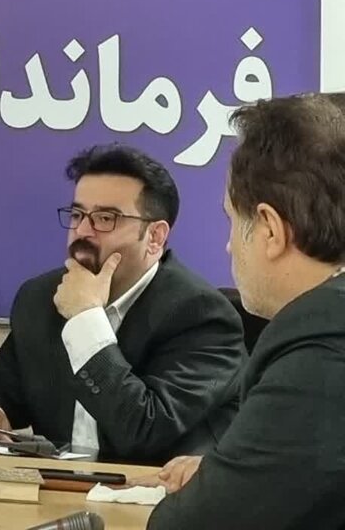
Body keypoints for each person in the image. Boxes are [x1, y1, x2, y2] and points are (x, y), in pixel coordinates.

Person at [0, 145, 245, 464]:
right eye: (77, 215)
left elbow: (145, 429)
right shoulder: (42, 297)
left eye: (105, 218)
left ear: (155, 237)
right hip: (57, 486)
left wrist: (85, 319)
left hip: (154, 490)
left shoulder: (200, 315)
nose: (82, 232)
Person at [146, 94, 345, 528]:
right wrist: (232, 474)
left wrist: (221, 488)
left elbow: (191, 525)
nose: (229, 246)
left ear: (270, 230)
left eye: (232, 222)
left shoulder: (321, 345)